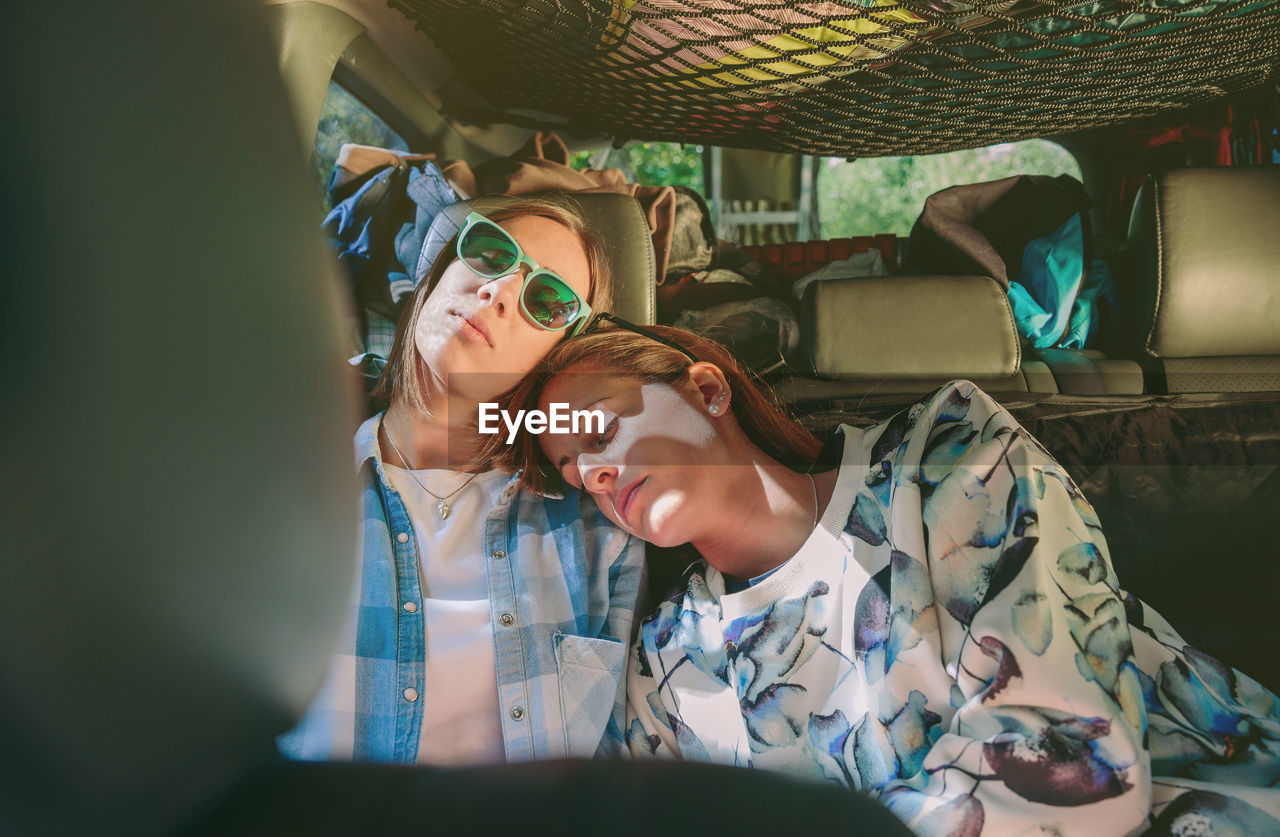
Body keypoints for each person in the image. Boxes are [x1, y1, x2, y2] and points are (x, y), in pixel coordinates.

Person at [507, 319, 1280, 835]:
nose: (600, 474)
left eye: (603, 430)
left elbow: (1073, 764)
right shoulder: (667, 663)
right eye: (579, 477)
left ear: (708, 390)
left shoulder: (948, 455)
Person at [279, 197, 645, 766]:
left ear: (561, 355)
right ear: (441, 268)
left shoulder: (602, 527)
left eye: (546, 300)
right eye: (492, 252)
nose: (497, 293)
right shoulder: (277, 474)